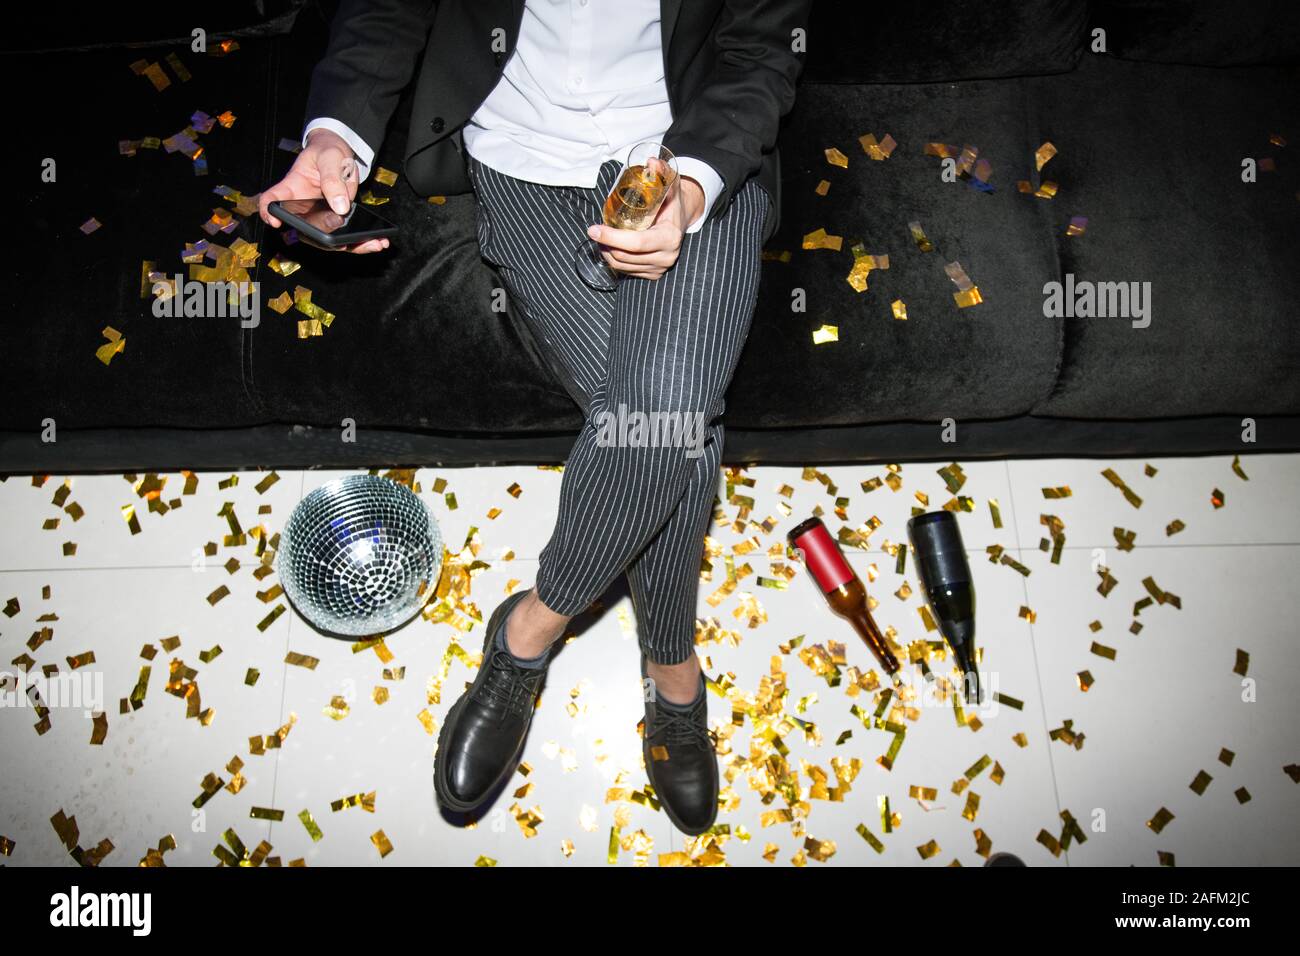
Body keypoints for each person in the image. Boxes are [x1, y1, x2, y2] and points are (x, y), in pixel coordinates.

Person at [259, 0, 811, 836]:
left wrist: (693, 185)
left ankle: (529, 631)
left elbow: (761, 44)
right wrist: (335, 138)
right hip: (525, 161)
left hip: (694, 148)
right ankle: (673, 668)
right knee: (674, 436)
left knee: (664, 412)